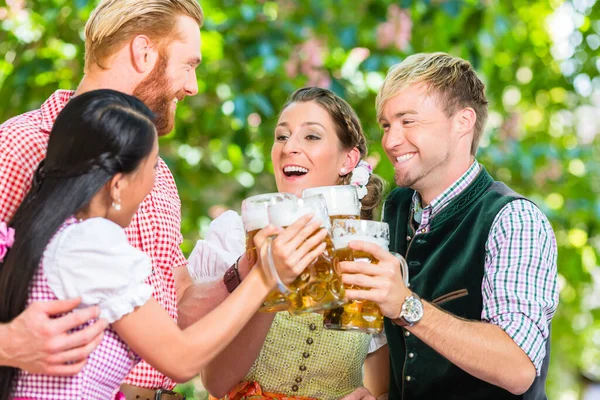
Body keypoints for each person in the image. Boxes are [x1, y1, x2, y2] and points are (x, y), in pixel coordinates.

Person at [1, 89, 320, 400]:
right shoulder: (90, 244)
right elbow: (180, 358)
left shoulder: (57, 231)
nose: (156, 181)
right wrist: (265, 277)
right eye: (152, 166)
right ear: (117, 184)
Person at [0, 1, 240, 397]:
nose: (193, 86)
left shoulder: (157, 175)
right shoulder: (18, 145)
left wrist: (250, 268)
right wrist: (7, 343)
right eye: (189, 64)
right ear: (144, 53)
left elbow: (176, 305)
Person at [339, 52, 559, 399]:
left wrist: (406, 306)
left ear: (462, 121)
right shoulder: (396, 208)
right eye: (386, 125)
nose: (391, 140)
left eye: (407, 121)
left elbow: (517, 368)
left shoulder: (514, 219)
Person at [189, 87, 390, 400]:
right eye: (282, 136)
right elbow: (216, 381)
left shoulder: (367, 254)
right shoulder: (236, 237)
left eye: (311, 136)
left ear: (348, 159)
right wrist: (269, 275)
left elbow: (381, 390)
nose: (289, 147)